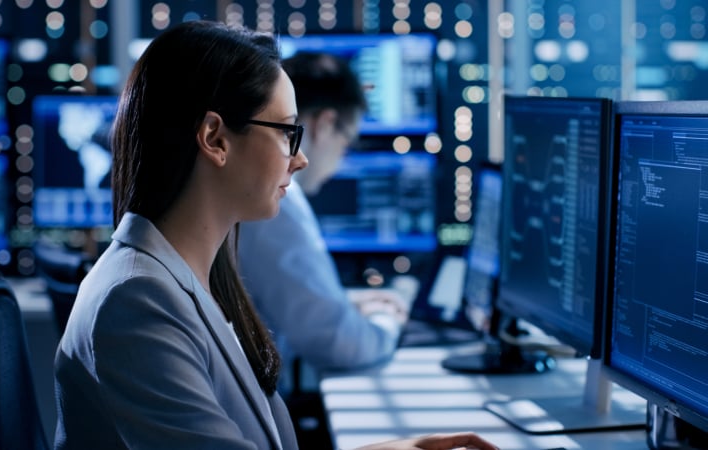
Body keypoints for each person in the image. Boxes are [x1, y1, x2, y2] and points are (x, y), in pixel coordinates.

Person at [53, 20, 498, 450]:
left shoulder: (189, 277)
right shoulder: (136, 300)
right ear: (215, 139)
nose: (299, 159)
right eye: (288, 132)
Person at [238, 51, 408, 396]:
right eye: (347, 143)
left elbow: (282, 296)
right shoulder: (276, 203)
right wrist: (392, 319)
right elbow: (340, 344)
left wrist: (346, 300)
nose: (298, 159)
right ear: (325, 123)